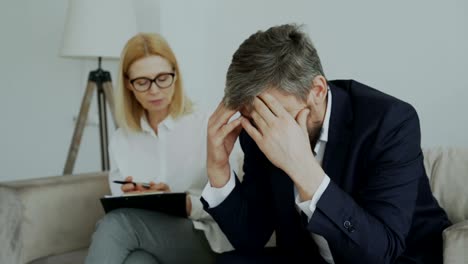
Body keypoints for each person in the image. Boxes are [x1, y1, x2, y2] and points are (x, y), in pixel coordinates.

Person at [201, 24, 450, 264]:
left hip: (396, 256)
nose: (266, 129)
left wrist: (304, 170)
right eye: (252, 115)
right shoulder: (258, 130)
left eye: (273, 114)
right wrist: (218, 169)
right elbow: (250, 239)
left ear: (317, 90)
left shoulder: (389, 122)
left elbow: (380, 252)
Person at [85, 33, 234, 264]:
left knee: (118, 224)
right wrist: (137, 198)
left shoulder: (206, 126)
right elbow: (121, 207)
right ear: (128, 84)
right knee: (137, 261)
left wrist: (184, 203)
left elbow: (236, 206)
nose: (154, 90)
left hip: (205, 237)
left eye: (162, 78)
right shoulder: (121, 140)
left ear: (175, 76)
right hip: (147, 238)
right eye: (142, 82)